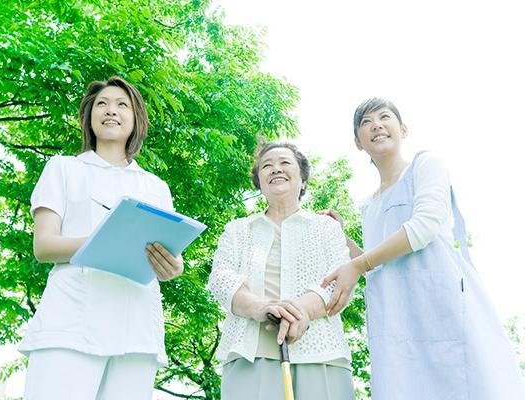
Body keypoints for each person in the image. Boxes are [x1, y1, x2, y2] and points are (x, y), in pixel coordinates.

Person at [321, 97, 525, 400]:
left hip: (440, 305)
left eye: (384, 117)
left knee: (464, 384)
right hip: (396, 317)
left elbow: (424, 227)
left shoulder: (425, 165)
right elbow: (377, 263)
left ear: (403, 129)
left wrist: (358, 264)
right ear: (357, 143)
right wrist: (343, 241)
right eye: (366, 122)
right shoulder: (370, 204)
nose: (376, 124)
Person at [18, 77, 184, 400]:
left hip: (136, 330)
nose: (111, 110)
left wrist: (171, 266)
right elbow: (44, 245)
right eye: (102, 104)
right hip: (69, 324)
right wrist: (105, 239)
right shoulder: (63, 169)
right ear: (89, 117)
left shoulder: (155, 187)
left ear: (135, 119)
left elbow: (170, 256)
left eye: (122, 105)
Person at [208, 142, 355, 400]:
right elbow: (221, 278)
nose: (276, 168)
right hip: (248, 354)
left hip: (322, 352)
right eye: (267, 165)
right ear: (259, 182)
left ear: (303, 180)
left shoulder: (327, 227)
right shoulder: (238, 229)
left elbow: (339, 280)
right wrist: (258, 308)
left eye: (285, 163)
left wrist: (302, 312)